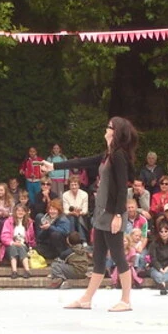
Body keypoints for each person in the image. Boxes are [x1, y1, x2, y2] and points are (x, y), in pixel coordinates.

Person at [43, 116, 138, 312]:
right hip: (102, 212)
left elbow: (122, 188)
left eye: (109, 127)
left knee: (119, 255)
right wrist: (54, 166)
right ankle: (86, 298)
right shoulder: (108, 154)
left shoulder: (119, 155)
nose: (106, 128)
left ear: (116, 132)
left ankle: (126, 300)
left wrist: (118, 215)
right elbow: (83, 161)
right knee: (99, 256)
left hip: (112, 213)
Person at [149, 223, 168, 292]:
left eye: (166, 231)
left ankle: (163, 285)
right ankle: (166, 285)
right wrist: (160, 269)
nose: (164, 234)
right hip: (157, 268)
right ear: (159, 233)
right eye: (161, 232)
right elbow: (153, 259)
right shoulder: (154, 244)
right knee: (156, 274)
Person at [62, 175, 89, 240]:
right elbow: (65, 211)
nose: (74, 187)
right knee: (72, 217)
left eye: (75, 184)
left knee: (79, 218)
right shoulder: (65, 195)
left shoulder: (84, 194)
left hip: (81, 215)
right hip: (69, 215)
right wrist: (73, 213)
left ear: (79, 185)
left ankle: (83, 240)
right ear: (69, 186)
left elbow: (85, 210)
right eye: (72, 185)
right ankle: (72, 240)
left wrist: (79, 212)